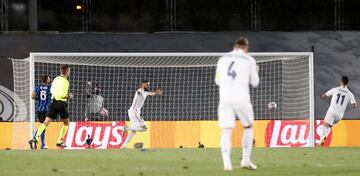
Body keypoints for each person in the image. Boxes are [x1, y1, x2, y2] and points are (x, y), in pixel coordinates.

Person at [215, 37, 259, 171]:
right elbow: (255, 83)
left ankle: (227, 163)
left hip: (225, 98)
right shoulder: (249, 60)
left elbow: (217, 81)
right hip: (241, 98)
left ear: (235, 46)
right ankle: (245, 160)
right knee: (248, 127)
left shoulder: (222, 59)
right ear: (246, 47)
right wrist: (256, 71)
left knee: (226, 130)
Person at [29, 65, 73, 149]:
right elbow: (63, 95)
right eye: (69, 71)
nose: (69, 72)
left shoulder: (56, 79)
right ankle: (59, 141)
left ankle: (35, 139)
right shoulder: (65, 81)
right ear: (67, 71)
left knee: (45, 123)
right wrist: (68, 96)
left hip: (53, 103)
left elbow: (52, 91)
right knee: (66, 123)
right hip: (61, 104)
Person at [121, 80, 163, 149]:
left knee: (134, 131)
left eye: (149, 85)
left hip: (133, 112)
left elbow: (151, 93)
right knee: (144, 128)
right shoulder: (139, 91)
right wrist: (140, 93)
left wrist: (156, 93)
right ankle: (126, 128)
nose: (148, 86)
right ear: (143, 85)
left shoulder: (146, 92)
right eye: (147, 85)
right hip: (134, 112)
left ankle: (124, 145)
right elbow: (139, 93)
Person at [320, 76, 357, 145]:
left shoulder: (336, 89)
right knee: (330, 126)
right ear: (347, 83)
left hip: (332, 111)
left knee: (325, 125)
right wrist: (353, 106)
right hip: (340, 115)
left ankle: (323, 137)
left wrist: (323, 96)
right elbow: (354, 105)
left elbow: (324, 95)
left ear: (341, 82)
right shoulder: (350, 94)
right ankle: (325, 134)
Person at [28, 75, 51, 149]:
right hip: (46, 109)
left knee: (43, 126)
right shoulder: (49, 88)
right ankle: (37, 140)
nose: (49, 79)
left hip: (39, 109)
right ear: (47, 80)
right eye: (49, 78)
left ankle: (41, 143)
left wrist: (39, 99)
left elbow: (32, 96)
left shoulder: (38, 88)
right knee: (44, 126)